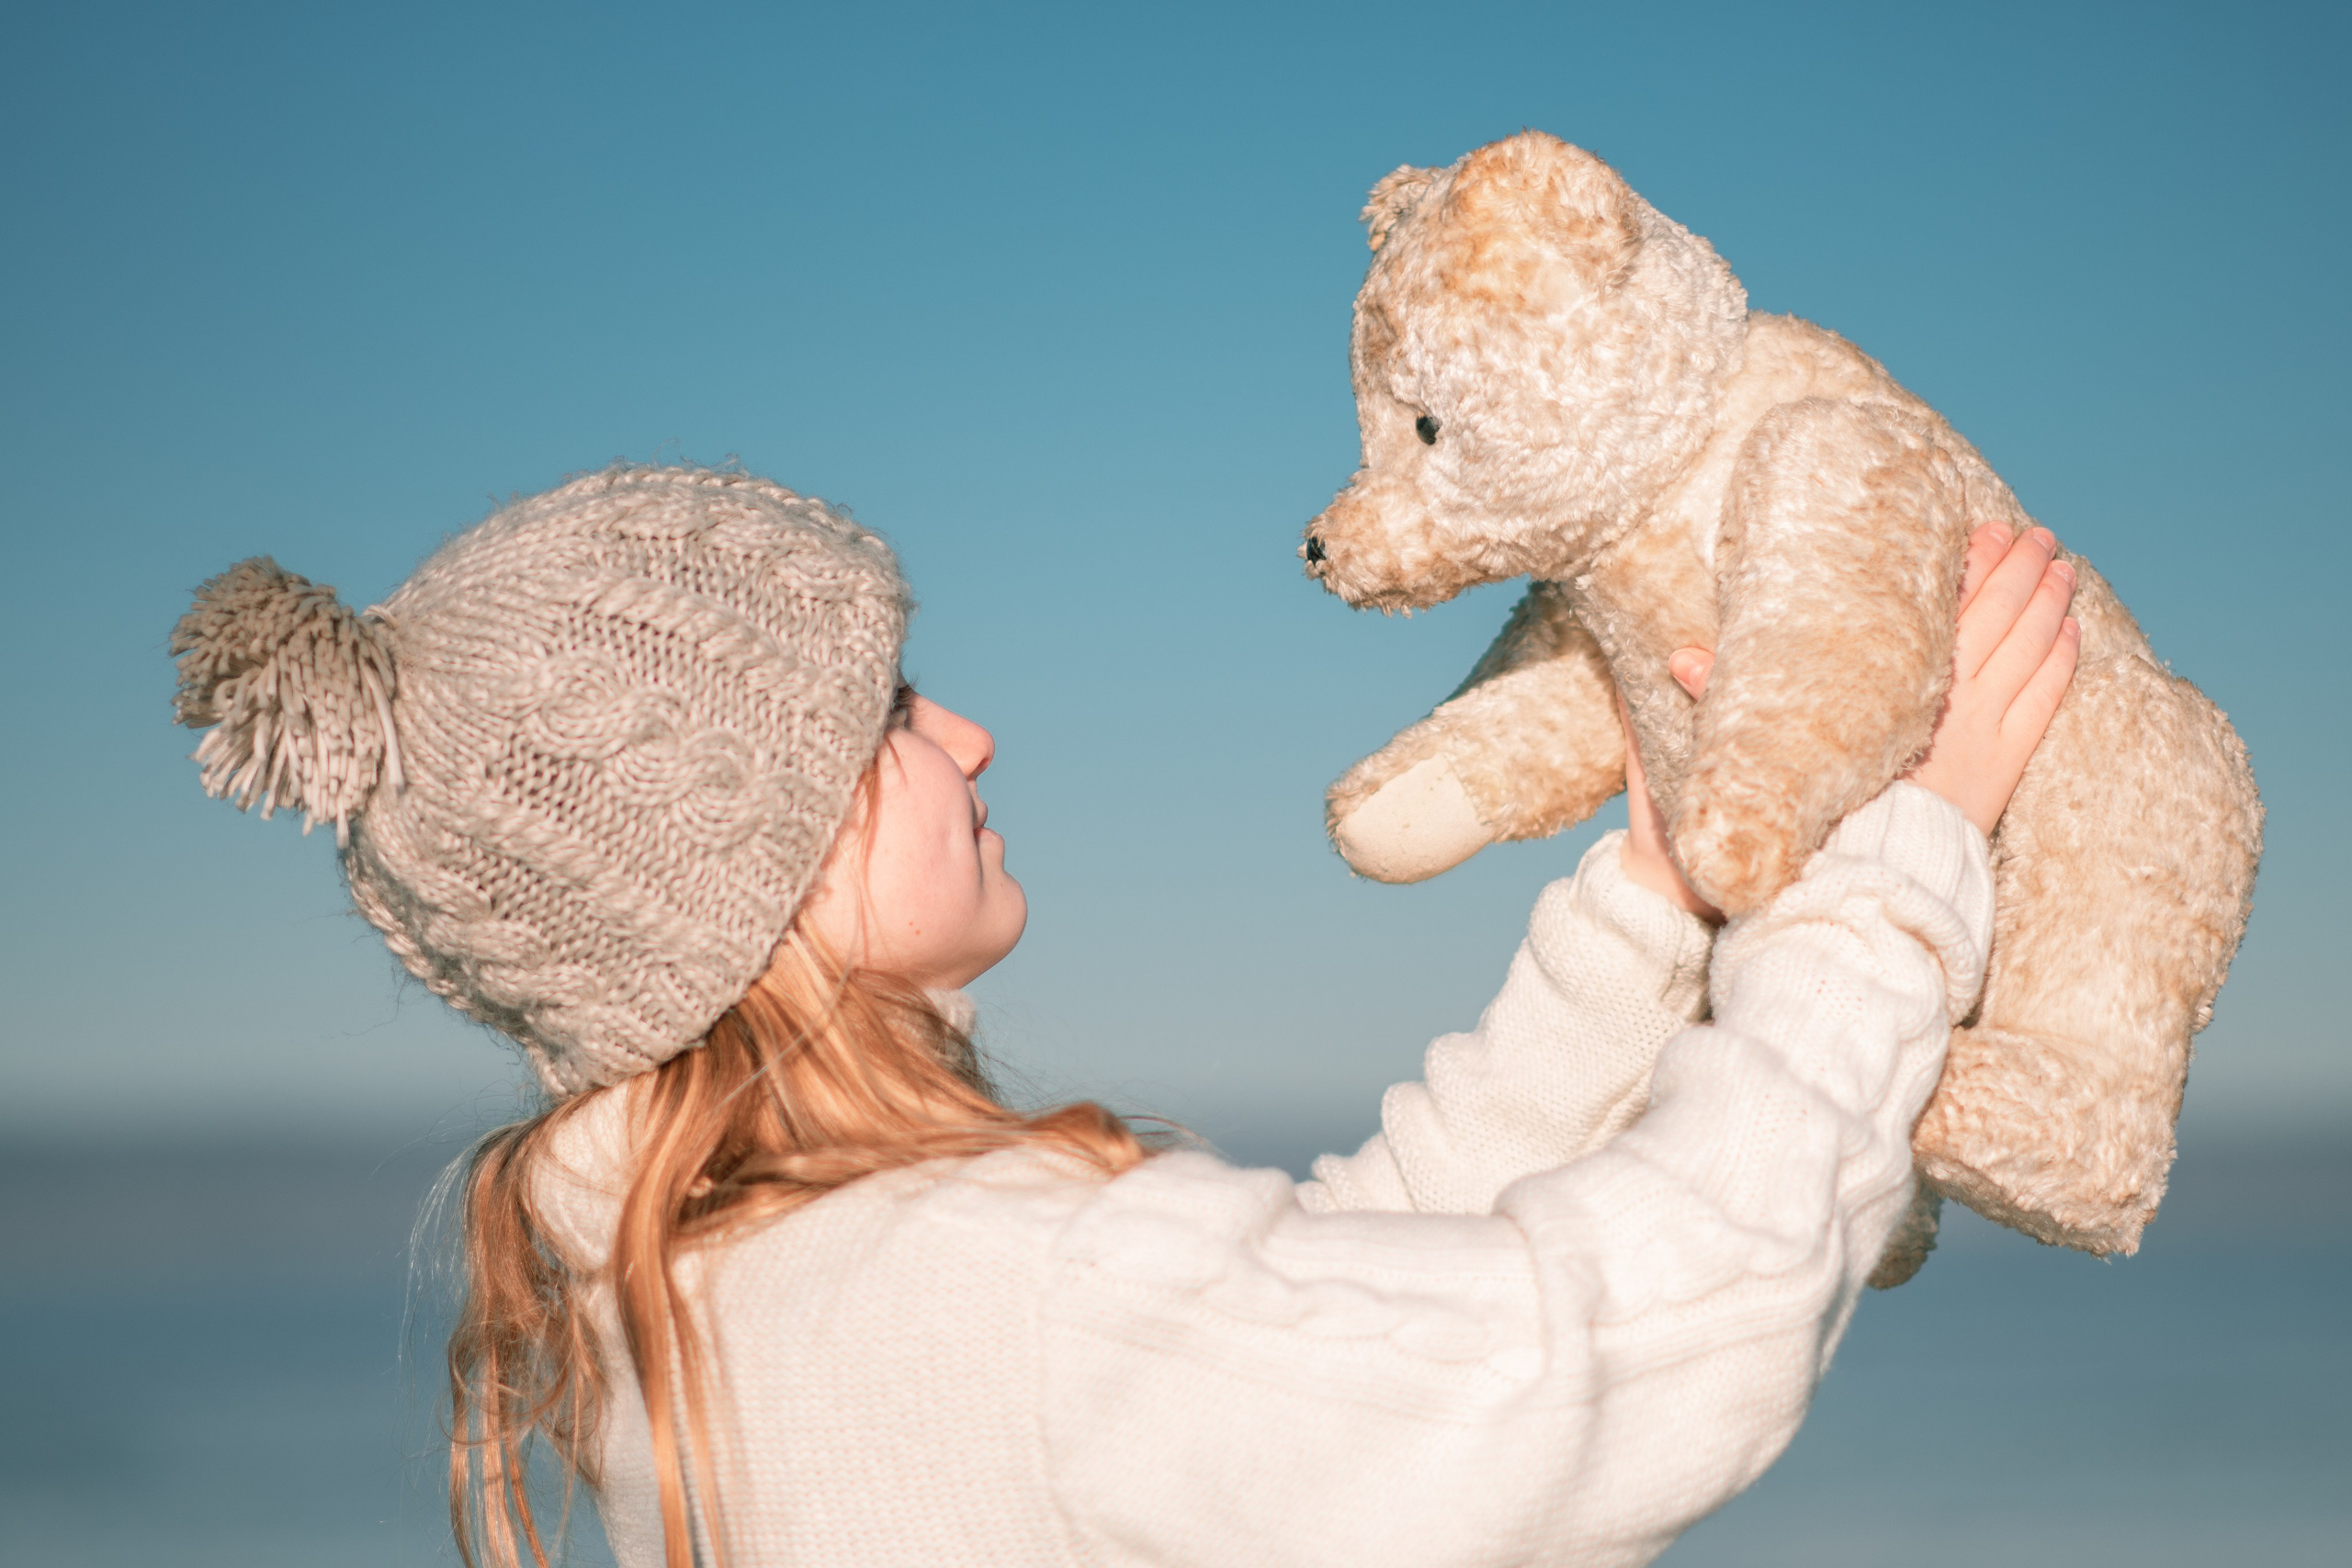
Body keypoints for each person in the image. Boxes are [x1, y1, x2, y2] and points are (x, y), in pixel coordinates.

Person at [169, 465, 2079, 1568]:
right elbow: (1611, 1360)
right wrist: (1893, 873)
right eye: (885, 712)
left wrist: (1647, 918)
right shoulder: (982, 1285)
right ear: (739, 861)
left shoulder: (704, 1303)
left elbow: (1314, 1327)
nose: (968, 733)